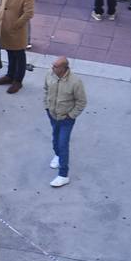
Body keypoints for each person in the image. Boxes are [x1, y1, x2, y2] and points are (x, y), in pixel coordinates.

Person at [43, 57, 86, 188]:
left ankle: (63, 175)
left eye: (55, 66)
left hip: (66, 119)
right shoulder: (49, 74)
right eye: (53, 65)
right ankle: (57, 156)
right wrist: (46, 106)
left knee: (63, 144)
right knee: (55, 139)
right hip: (52, 115)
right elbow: (46, 89)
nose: (52, 68)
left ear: (64, 68)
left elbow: (81, 102)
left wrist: (71, 115)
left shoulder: (75, 82)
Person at [0, 0, 34, 94]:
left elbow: (29, 13)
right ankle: (10, 75)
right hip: (4, 25)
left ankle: (18, 80)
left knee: (19, 54)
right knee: (9, 51)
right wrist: (0, 9)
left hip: (16, 30)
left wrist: (16, 25)